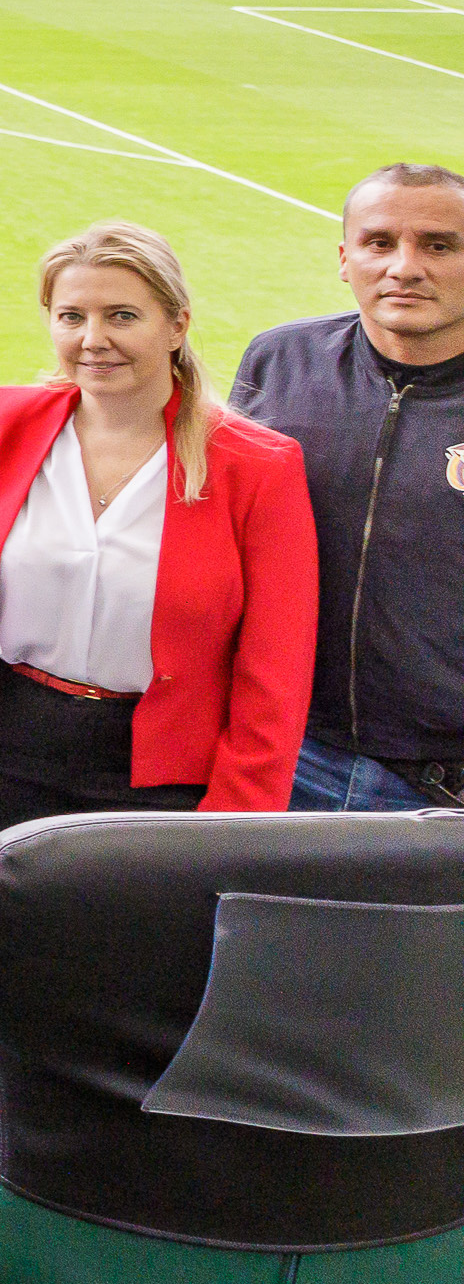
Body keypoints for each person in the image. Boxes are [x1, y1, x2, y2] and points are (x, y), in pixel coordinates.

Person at [0, 222, 313, 838]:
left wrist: (237, 818)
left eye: (121, 316)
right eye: (71, 317)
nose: (93, 340)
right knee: (14, 933)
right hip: (6, 750)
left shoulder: (257, 465)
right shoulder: (3, 420)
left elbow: (278, 668)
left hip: (164, 775)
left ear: (176, 325)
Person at [230, 162, 464, 812]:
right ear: (345, 257)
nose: (405, 266)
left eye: (439, 245)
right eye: (380, 242)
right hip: (289, 760)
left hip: (442, 788)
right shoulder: (280, 362)